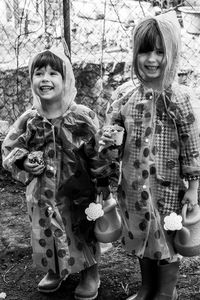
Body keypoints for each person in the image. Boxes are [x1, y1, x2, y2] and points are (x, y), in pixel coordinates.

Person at [99, 11, 200, 300]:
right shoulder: (127, 97)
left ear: (172, 54)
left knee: (166, 238)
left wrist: (192, 188)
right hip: (133, 188)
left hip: (167, 189)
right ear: (135, 54)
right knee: (140, 234)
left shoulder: (179, 99)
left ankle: (166, 291)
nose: (152, 59)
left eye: (160, 51)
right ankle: (146, 286)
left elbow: (192, 146)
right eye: (145, 51)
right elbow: (112, 139)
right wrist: (109, 141)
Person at [1, 44, 114, 300]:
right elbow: (10, 148)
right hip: (42, 194)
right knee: (46, 231)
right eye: (39, 73)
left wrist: (103, 184)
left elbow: (97, 152)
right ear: (31, 80)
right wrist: (24, 162)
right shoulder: (28, 120)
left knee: (82, 229)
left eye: (54, 73)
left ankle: (90, 273)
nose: (45, 79)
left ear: (67, 79)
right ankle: (54, 270)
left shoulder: (82, 117)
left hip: (78, 193)